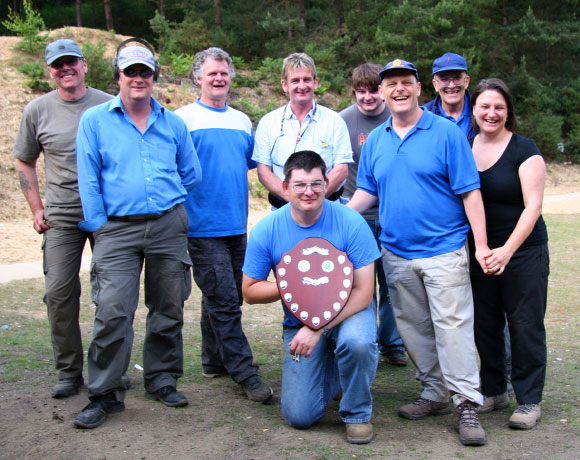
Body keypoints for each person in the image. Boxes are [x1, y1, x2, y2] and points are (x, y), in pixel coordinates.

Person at [348, 59, 489, 446]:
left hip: (444, 249)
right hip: (395, 252)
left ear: (418, 88)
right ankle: (435, 393)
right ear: (381, 92)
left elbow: (469, 191)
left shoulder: (445, 133)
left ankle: (466, 403)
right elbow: (368, 191)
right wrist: (338, 218)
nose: (398, 89)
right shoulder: (376, 139)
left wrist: (481, 246)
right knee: (413, 328)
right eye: (390, 84)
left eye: (405, 83)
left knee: (453, 328)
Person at [73, 41, 201, 429]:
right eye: (131, 72)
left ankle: (161, 379)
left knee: (168, 307)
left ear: (154, 76)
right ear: (118, 77)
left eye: (145, 71)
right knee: (113, 312)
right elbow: (88, 178)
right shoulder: (95, 121)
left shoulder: (173, 122)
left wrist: (168, 202)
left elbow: (191, 173)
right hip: (116, 230)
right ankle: (105, 393)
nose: (139, 78)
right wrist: (100, 225)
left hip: (167, 225)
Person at [242, 151, 380, 444]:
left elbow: (364, 292)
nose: (309, 192)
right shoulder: (267, 229)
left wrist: (318, 327)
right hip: (299, 320)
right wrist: (295, 284)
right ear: (284, 187)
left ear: (327, 183)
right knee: (300, 417)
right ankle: (335, 370)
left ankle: (357, 414)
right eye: (300, 185)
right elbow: (250, 292)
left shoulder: (351, 222)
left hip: (349, 313)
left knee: (357, 342)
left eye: (316, 184)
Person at [13, 38, 112, 399]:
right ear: (50, 70)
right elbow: (24, 159)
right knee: (58, 294)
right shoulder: (37, 110)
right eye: (58, 64)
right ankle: (69, 372)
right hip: (61, 215)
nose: (66, 68)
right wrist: (36, 208)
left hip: (106, 214)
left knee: (113, 295)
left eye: (72, 62)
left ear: (85, 65)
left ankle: (110, 368)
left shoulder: (108, 104)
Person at [175, 47, 272, 402]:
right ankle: (243, 371)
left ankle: (213, 359)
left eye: (224, 73)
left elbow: (244, 165)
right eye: (211, 73)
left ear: (231, 77)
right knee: (226, 301)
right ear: (198, 77)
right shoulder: (181, 120)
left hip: (236, 226)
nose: (218, 79)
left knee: (222, 297)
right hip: (201, 228)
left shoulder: (242, 121)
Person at [469, 78, 549, 430]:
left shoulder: (524, 149)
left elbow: (532, 208)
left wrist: (507, 251)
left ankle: (529, 399)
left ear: (508, 112)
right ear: (474, 110)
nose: (492, 113)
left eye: (499, 107)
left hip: (523, 251)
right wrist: (484, 249)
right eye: (485, 106)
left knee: (524, 324)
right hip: (482, 250)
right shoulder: (465, 145)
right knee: (485, 323)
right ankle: (494, 390)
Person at [339, 63, 407, 367]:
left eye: (373, 90)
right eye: (360, 91)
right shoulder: (342, 120)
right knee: (360, 283)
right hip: (356, 215)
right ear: (354, 91)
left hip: (393, 215)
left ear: (383, 90)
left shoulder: (398, 116)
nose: (367, 97)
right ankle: (363, 338)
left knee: (392, 282)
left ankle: (392, 343)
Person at [252, 53, 352, 208]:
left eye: (307, 79)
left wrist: (313, 200)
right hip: (283, 211)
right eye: (295, 81)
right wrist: (295, 199)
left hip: (327, 209)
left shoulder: (335, 121)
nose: (302, 86)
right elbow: (264, 171)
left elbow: (341, 169)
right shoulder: (268, 123)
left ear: (315, 82)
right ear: (285, 85)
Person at [424, 52, 476, 138]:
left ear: (466, 81)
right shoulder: (423, 116)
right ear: (435, 85)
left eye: (457, 78)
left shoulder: (482, 112)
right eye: (444, 79)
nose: (451, 85)